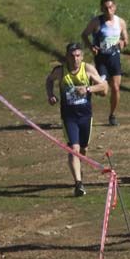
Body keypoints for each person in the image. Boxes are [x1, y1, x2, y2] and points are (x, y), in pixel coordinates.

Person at [46, 42, 107, 197]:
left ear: (82, 56)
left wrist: (87, 89)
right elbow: (49, 80)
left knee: (83, 149)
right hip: (69, 117)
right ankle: (78, 184)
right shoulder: (60, 71)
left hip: (86, 116)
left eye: (78, 56)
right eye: (72, 56)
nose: (75, 59)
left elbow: (103, 86)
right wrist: (51, 95)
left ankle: (79, 171)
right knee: (74, 149)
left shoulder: (87, 69)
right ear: (67, 56)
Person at [81, 0, 128, 126]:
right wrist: (91, 47)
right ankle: (93, 86)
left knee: (116, 88)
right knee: (103, 92)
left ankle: (112, 115)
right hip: (101, 59)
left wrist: (122, 42)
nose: (108, 10)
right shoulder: (96, 22)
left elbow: (126, 40)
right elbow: (84, 34)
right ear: (101, 9)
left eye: (111, 7)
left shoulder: (120, 22)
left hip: (114, 58)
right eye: (106, 8)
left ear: (115, 7)